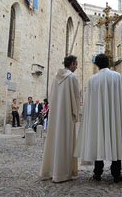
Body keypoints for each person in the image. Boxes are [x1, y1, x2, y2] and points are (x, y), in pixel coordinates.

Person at [75, 54, 122, 183]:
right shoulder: (117, 77)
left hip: (97, 116)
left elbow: (89, 102)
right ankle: (116, 174)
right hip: (114, 115)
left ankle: (97, 173)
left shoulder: (92, 80)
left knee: (98, 140)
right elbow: (121, 99)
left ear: (96, 65)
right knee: (115, 140)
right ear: (108, 63)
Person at [40, 55, 80, 183]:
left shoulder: (55, 78)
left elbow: (51, 97)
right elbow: (76, 99)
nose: (77, 66)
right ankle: (62, 173)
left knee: (54, 142)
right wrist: (75, 114)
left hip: (55, 116)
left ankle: (51, 171)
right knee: (65, 143)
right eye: (76, 64)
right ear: (72, 64)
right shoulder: (72, 78)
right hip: (67, 115)